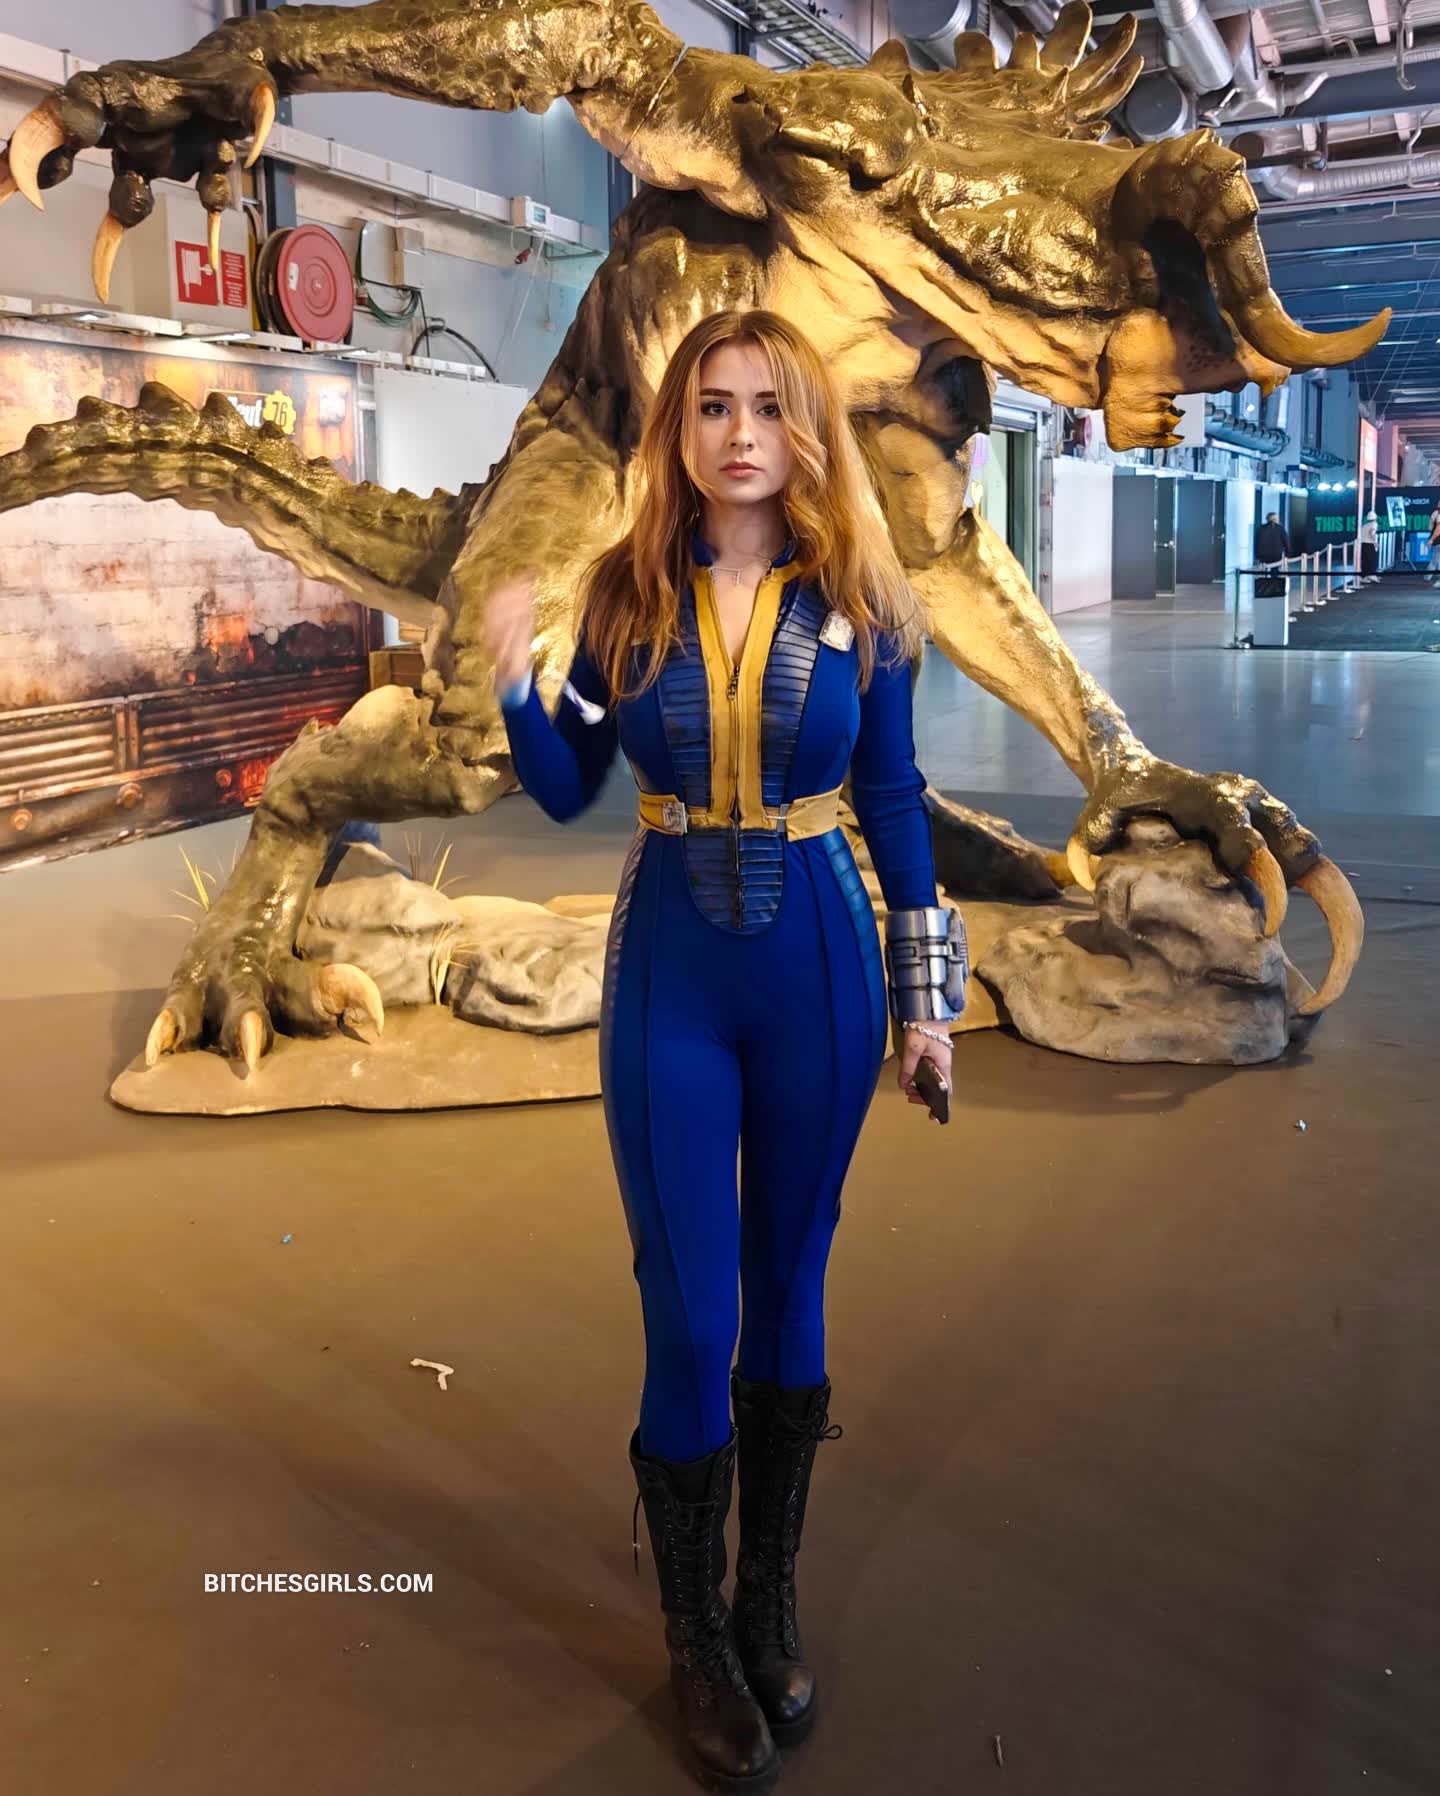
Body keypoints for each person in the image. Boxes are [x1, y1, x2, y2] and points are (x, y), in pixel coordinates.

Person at [479, 308, 965, 1793]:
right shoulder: (621, 597)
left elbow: (895, 799)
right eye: (711, 406)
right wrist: (513, 678)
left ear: (807, 426)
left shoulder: (866, 599)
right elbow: (565, 780)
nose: (740, 432)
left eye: (766, 404)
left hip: (822, 966)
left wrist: (928, 1000)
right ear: (676, 431)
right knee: (690, 1317)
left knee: (789, 1290)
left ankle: (767, 1600)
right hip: (669, 984)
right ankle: (695, 1633)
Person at [1360, 510, 1380, 584]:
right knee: (1372, 560)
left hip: (1363, 544)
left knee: (1365, 561)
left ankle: (1364, 577)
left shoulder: (1365, 525)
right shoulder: (1374, 524)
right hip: (1369, 544)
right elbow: (1372, 533)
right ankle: (1372, 575)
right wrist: (1375, 542)